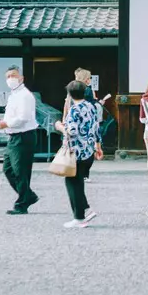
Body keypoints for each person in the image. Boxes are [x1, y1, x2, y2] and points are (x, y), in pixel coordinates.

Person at [0, 66, 41, 214]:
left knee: (21, 171)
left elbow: (23, 117)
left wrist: (5, 124)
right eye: (7, 76)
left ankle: (22, 203)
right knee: (8, 169)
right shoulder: (13, 95)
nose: (10, 79)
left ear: (21, 78)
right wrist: (3, 123)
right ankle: (28, 195)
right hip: (14, 136)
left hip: (24, 135)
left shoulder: (25, 95)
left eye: (13, 75)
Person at [60, 80, 102, 228]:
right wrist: (98, 145)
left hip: (75, 153)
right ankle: (86, 209)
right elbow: (96, 127)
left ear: (69, 94)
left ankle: (79, 217)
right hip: (88, 151)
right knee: (78, 182)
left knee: (72, 183)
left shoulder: (74, 110)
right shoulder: (91, 107)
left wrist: (59, 126)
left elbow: (71, 131)